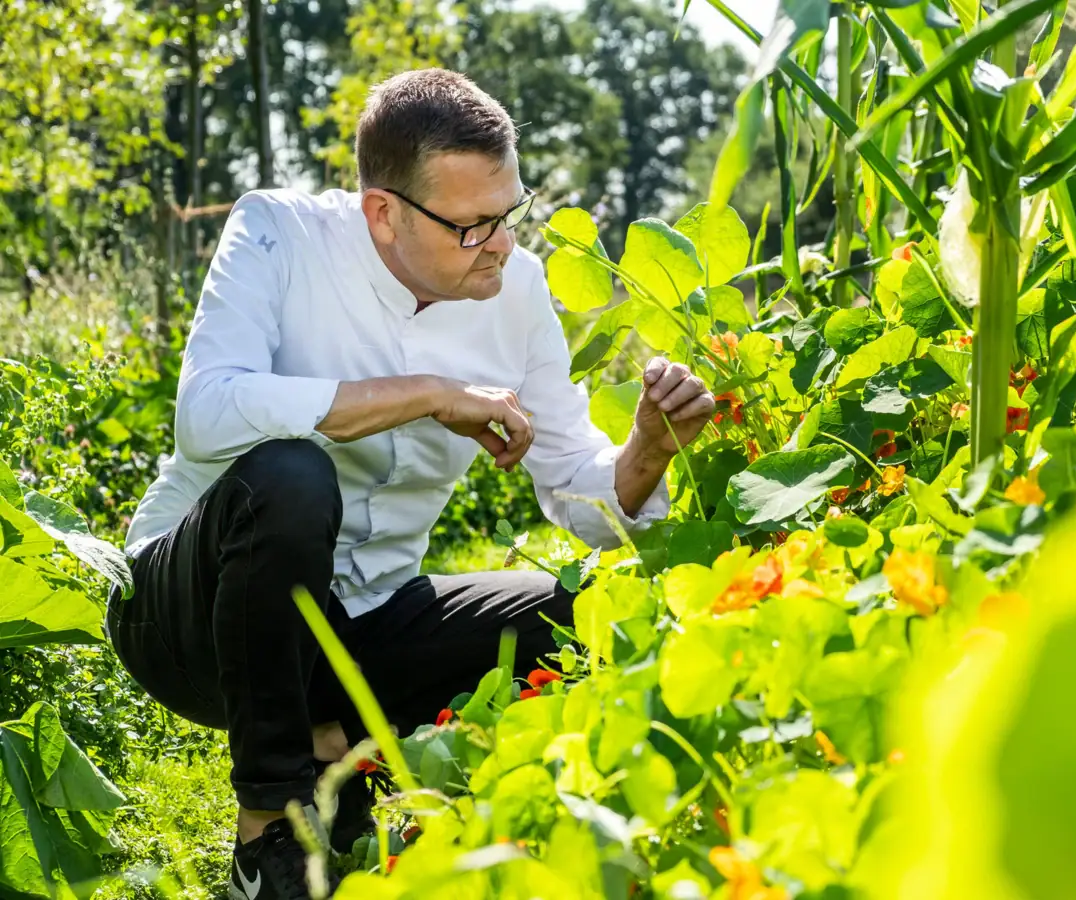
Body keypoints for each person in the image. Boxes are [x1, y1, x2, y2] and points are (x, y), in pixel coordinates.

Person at [105, 68, 715, 900]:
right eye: (472, 226)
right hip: (191, 618)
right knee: (289, 473)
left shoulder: (518, 291)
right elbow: (206, 416)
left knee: (569, 619)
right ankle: (268, 835)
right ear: (383, 212)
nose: (500, 243)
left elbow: (584, 492)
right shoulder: (279, 235)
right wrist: (429, 393)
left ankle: (345, 753)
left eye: (511, 212)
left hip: (365, 622)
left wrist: (651, 446)